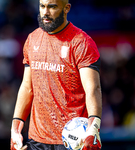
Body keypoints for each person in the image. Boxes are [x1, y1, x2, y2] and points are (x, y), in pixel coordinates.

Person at [11, 0, 102, 150]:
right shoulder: (32, 39)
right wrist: (15, 127)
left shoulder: (82, 42)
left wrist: (94, 127)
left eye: (52, 6)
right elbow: (27, 87)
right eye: (42, 6)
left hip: (73, 141)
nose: (45, 12)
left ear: (66, 8)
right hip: (36, 140)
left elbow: (93, 89)